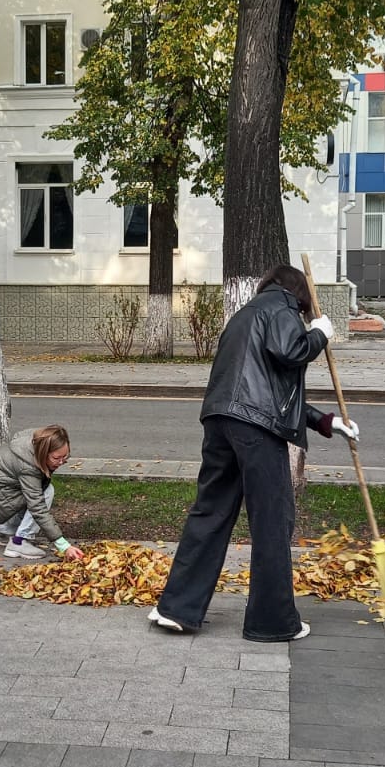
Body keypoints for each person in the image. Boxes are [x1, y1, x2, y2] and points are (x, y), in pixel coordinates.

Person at [148, 264, 358, 642]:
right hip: (256, 430)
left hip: (221, 422)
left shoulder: (244, 315)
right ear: (298, 292)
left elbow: (270, 390)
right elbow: (290, 352)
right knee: (272, 522)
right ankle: (272, 621)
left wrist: (327, 422)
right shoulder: (282, 308)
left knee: (210, 513)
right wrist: (318, 335)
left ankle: (175, 609)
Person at [0, 424, 85, 560]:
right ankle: (19, 542)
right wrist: (63, 546)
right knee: (45, 492)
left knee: (36, 491)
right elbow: (37, 507)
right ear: (43, 453)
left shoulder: (37, 441)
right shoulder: (28, 466)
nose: (61, 462)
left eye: (65, 456)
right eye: (56, 458)